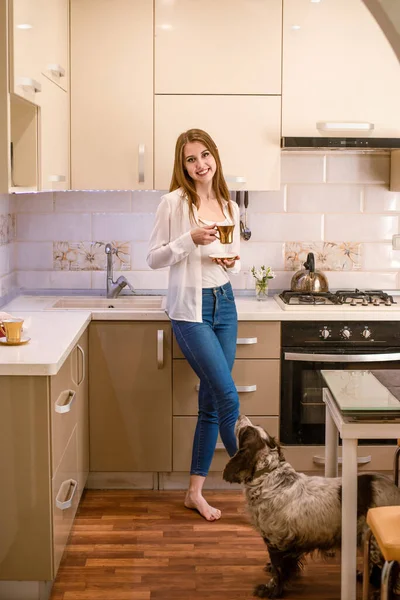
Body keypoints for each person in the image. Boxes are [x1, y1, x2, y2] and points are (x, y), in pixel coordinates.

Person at [147, 129, 241, 521]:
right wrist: (189, 240)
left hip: (225, 305)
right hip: (191, 310)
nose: (200, 164)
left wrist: (231, 261)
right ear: (182, 165)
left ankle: (194, 493)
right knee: (228, 397)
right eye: (191, 159)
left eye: (205, 155)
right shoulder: (173, 203)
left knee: (210, 405)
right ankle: (266, 486)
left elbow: (234, 255)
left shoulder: (230, 205)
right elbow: (154, 258)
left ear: (214, 157)